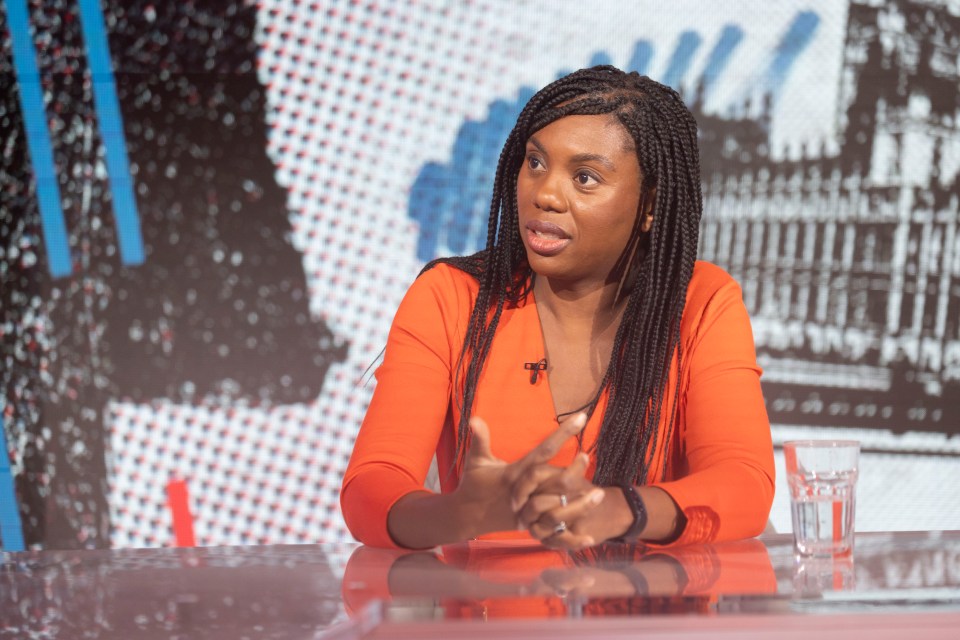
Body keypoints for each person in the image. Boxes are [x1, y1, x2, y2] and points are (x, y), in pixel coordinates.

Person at [341, 66, 774, 550]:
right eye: (535, 163)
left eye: (585, 177)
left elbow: (744, 484)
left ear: (650, 205)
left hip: (643, 619)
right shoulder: (451, 297)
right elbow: (370, 487)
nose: (544, 194)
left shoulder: (700, 301)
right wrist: (459, 514)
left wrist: (616, 509)